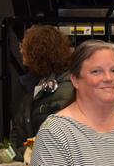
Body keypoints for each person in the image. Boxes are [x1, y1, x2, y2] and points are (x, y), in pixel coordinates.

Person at [10, 25, 74, 159]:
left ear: (39, 51)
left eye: (24, 46)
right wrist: (9, 155)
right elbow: (17, 130)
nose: (21, 51)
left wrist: (17, 156)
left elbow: (53, 140)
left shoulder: (65, 88)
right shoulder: (33, 85)